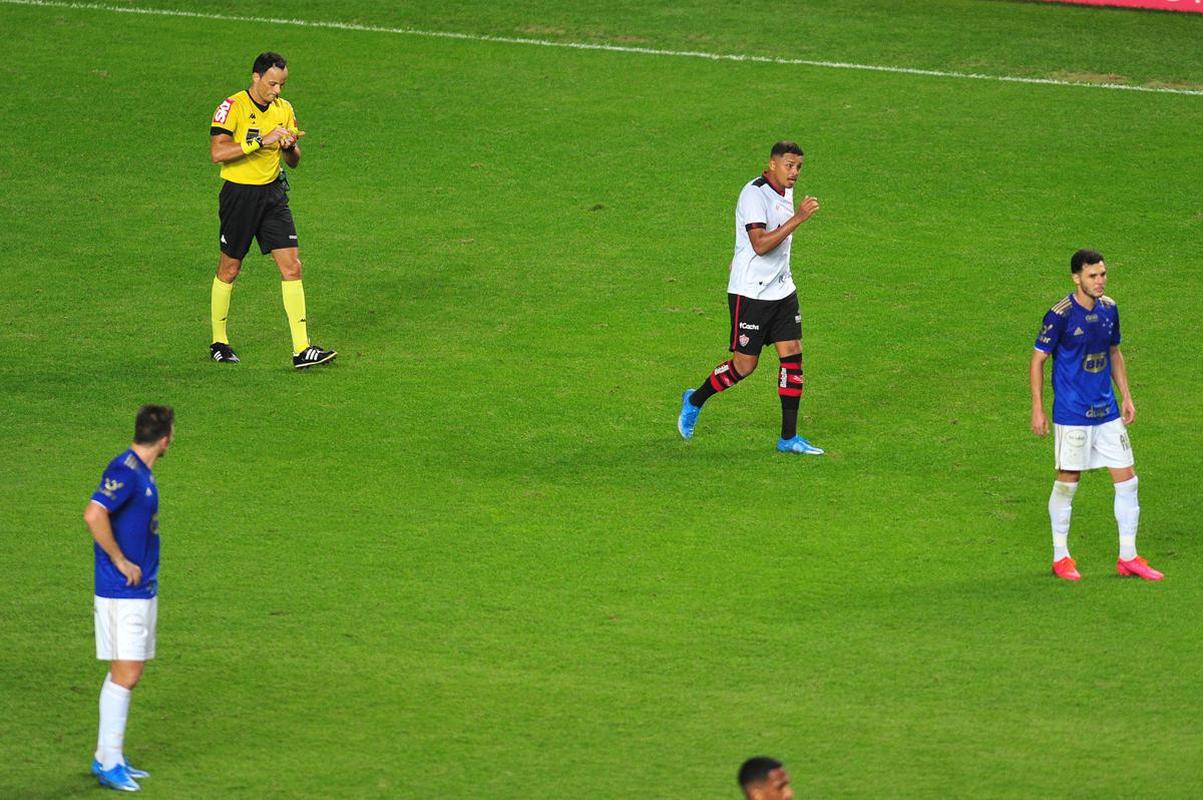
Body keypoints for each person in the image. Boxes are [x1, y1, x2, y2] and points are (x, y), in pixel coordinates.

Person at [677, 141, 823, 454]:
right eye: (788, 165)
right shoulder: (754, 194)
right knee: (744, 366)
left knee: (793, 354)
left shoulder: (785, 189)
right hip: (751, 293)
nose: (794, 172)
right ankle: (694, 399)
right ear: (771, 164)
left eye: (798, 167)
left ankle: (788, 438)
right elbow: (759, 244)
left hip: (782, 288)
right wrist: (798, 219)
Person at [1030, 249, 1162, 581]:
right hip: (1072, 414)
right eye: (1092, 275)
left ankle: (1128, 557)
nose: (1100, 281)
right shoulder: (1059, 315)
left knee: (1128, 479)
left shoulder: (1110, 309)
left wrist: (1126, 395)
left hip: (1106, 412)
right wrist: (1038, 408)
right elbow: (1037, 360)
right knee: (1068, 482)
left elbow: (1114, 352)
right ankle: (1061, 557)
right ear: (1077, 278)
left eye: (1102, 274)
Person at [209, 51, 336, 369]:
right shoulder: (233, 107)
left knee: (292, 266)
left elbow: (294, 161)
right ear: (256, 77)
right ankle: (219, 341)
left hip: (273, 196)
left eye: (281, 84)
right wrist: (261, 141)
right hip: (239, 196)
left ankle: (301, 349)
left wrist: (289, 145)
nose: (277, 90)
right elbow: (217, 153)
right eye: (272, 83)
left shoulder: (284, 109)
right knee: (230, 268)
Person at [84, 405, 174, 792]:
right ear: (166, 438)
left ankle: (109, 756)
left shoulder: (141, 471)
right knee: (128, 673)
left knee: (125, 673)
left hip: (138, 590)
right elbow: (93, 514)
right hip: (122, 592)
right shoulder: (126, 470)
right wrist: (119, 560)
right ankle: (108, 762)